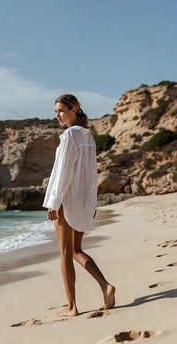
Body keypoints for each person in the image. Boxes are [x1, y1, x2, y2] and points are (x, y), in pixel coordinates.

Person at [43, 94, 115, 317]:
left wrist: (54, 201)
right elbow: (91, 175)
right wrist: (91, 202)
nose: (57, 115)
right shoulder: (88, 137)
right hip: (82, 201)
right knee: (76, 250)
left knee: (65, 253)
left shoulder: (69, 136)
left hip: (65, 200)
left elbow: (62, 173)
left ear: (74, 110)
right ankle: (105, 286)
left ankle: (72, 307)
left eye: (61, 111)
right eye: (56, 111)